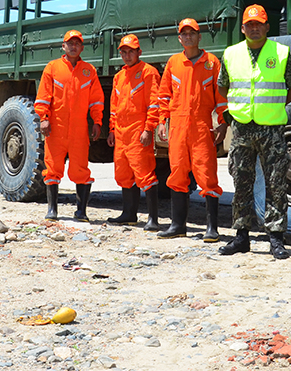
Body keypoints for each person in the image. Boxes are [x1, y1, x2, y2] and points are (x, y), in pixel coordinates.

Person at [217, 4, 291, 260]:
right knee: (241, 181)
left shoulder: (282, 53)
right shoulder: (230, 54)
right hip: (242, 127)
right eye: (250, 24)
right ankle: (241, 236)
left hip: (271, 128)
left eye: (259, 24)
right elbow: (223, 87)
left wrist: (273, 106)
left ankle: (275, 238)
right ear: (243, 28)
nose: (254, 28)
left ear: (267, 27)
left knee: (276, 183)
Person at [156, 18, 228, 240]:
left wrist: (222, 122)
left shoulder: (211, 63)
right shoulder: (173, 63)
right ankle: (178, 226)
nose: (188, 37)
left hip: (201, 127)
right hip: (178, 127)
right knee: (177, 173)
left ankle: (211, 228)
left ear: (199, 37)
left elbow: (221, 97)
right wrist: (162, 120)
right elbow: (163, 95)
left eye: (192, 33)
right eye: (184, 34)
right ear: (180, 38)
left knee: (207, 174)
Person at [34, 30, 104, 222]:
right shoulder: (53, 68)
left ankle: (81, 212)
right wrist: (44, 118)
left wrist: (97, 121)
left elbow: (96, 100)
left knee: (80, 168)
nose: (73, 47)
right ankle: (52, 210)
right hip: (56, 127)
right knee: (52, 167)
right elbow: (43, 96)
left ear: (82, 47)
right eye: (70, 43)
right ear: (63, 46)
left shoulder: (89, 71)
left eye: (77, 43)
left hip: (79, 129)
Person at [106, 34, 162, 230]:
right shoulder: (119, 77)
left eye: (131, 51)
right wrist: (112, 129)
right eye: (124, 52)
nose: (127, 55)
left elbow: (154, 103)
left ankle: (153, 219)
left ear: (139, 52)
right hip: (121, 133)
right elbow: (114, 107)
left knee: (145, 173)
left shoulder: (148, 72)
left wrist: (149, 128)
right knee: (124, 174)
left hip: (138, 131)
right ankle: (129, 214)